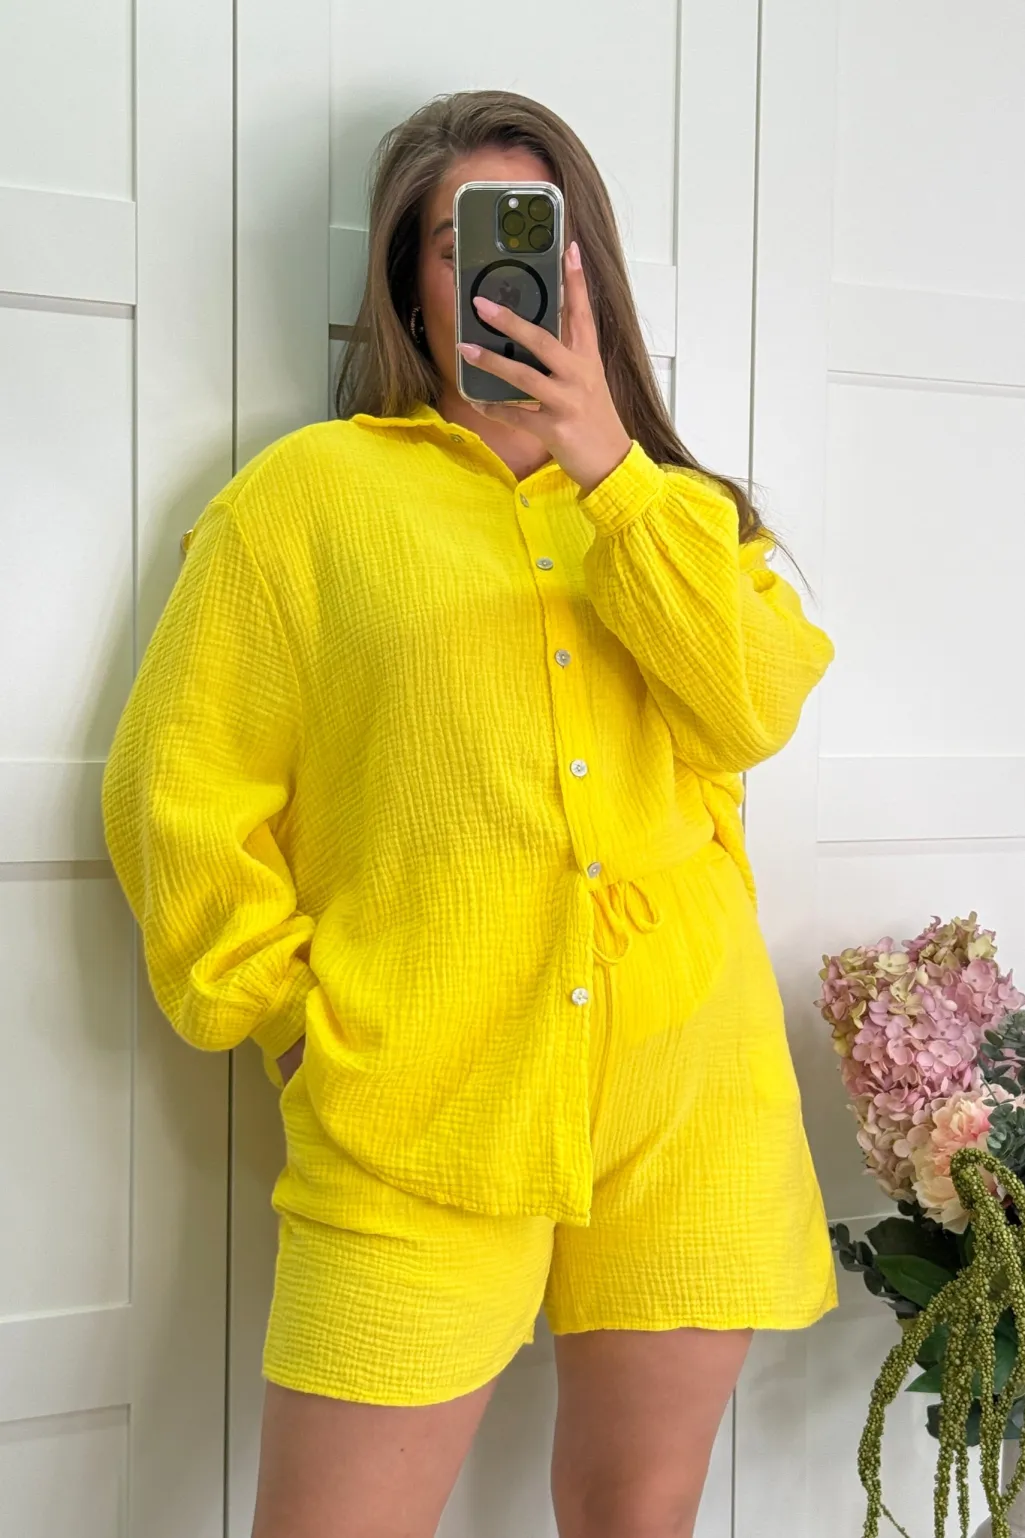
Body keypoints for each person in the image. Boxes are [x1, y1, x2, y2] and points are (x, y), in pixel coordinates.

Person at [102, 87, 838, 1538]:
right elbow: (172, 795)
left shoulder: (679, 513)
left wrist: (610, 468)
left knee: (636, 1517)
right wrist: (295, 1021)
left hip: (687, 1098)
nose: (499, 271)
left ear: (587, 272)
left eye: (536, 237)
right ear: (410, 285)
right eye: (458, 242)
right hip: (417, 1107)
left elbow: (755, 707)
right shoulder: (306, 502)